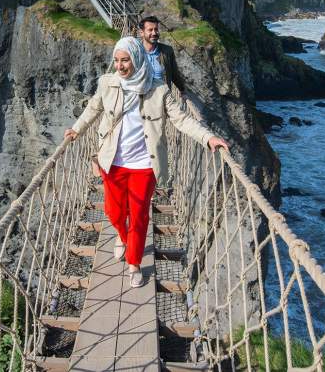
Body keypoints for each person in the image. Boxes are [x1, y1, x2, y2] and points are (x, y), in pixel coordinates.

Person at [64, 37, 229, 288]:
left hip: (144, 165)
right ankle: (122, 236)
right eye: (116, 60)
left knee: (139, 215)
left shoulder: (158, 90)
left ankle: (134, 263)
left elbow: (182, 120)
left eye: (125, 60)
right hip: (113, 161)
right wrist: (76, 129)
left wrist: (208, 138)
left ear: (137, 59)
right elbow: (92, 108)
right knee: (114, 212)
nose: (119, 66)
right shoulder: (108, 84)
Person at [139, 15, 186, 93]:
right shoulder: (135, 51)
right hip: (142, 97)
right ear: (141, 33)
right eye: (150, 30)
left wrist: (182, 91)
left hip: (163, 98)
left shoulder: (167, 51)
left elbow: (174, 74)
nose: (154, 33)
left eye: (156, 29)